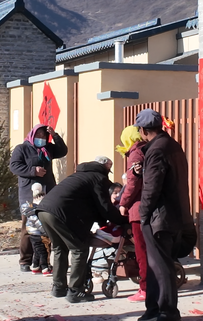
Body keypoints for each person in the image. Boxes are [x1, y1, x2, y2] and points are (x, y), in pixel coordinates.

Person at [36, 160, 127, 303]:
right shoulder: (98, 178)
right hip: (60, 213)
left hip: (43, 210)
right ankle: (75, 291)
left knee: (60, 248)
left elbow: (93, 205)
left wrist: (103, 222)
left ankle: (59, 287)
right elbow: (104, 207)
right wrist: (122, 221)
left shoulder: (78, 176)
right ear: (104, 171)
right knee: (79, 249)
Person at [134, 109, 191, 321]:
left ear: (143, 130)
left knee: (160, 266)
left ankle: (166, 312)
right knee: (156, 266)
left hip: (159, 217)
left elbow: (152, 187)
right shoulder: (171, 145)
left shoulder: (156, 150)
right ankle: (154, 309)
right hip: (173, 214)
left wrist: (143, 213)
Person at [9, 124, 67, 272]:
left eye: (43, 136)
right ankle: (25, 260)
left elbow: (62, 151)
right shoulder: (22, 149)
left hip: (47, 192)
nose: (41, 138)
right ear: (32, 135)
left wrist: (55, 136)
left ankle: (43, 261)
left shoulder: (48, 149)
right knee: (29, 228)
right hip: (29, 194)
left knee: (47, 227)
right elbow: (14, 166)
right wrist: (33, 171)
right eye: (38, 135)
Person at [117, 125, 149, 303]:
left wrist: (123, 203)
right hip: (152, 207)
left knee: (141, 251)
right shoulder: (149, 150)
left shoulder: (135, 154)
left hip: (138, 209)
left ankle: (145, 288)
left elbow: (132, 183)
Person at [21, 182, 50, 276]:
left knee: (37, 251)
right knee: (44, 252)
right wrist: (46, 231)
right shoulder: (37, 210)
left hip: (32, 233)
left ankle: (35, 266)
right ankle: (45, 268)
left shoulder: (29, 209)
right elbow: (39, 223)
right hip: (40, 234)